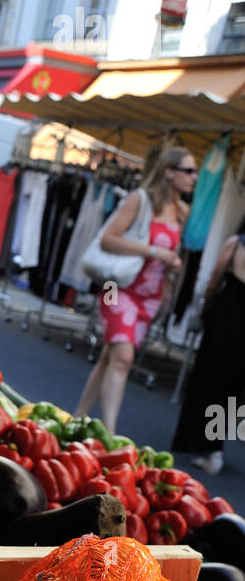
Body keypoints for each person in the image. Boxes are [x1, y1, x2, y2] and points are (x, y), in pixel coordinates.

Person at [74, 147, 197, 434]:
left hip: (150, 296)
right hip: (118, 287)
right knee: (124, 357)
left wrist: (171, 265)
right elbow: (108, 240)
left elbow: (171, 252)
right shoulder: (139, 201)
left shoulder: (182, 212)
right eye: (189, 171)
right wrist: (154, 250)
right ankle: (109, 434)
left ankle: (79, 415)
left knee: (111, 355)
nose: (194, 177)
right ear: (169, 172)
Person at [172, 219, 245, 475]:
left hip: (225, 317)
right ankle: (215, 447)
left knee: (209, 379)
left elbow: (214, 280)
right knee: (233, 388)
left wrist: (205, 305)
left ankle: (201, 443)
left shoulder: (236, 245)